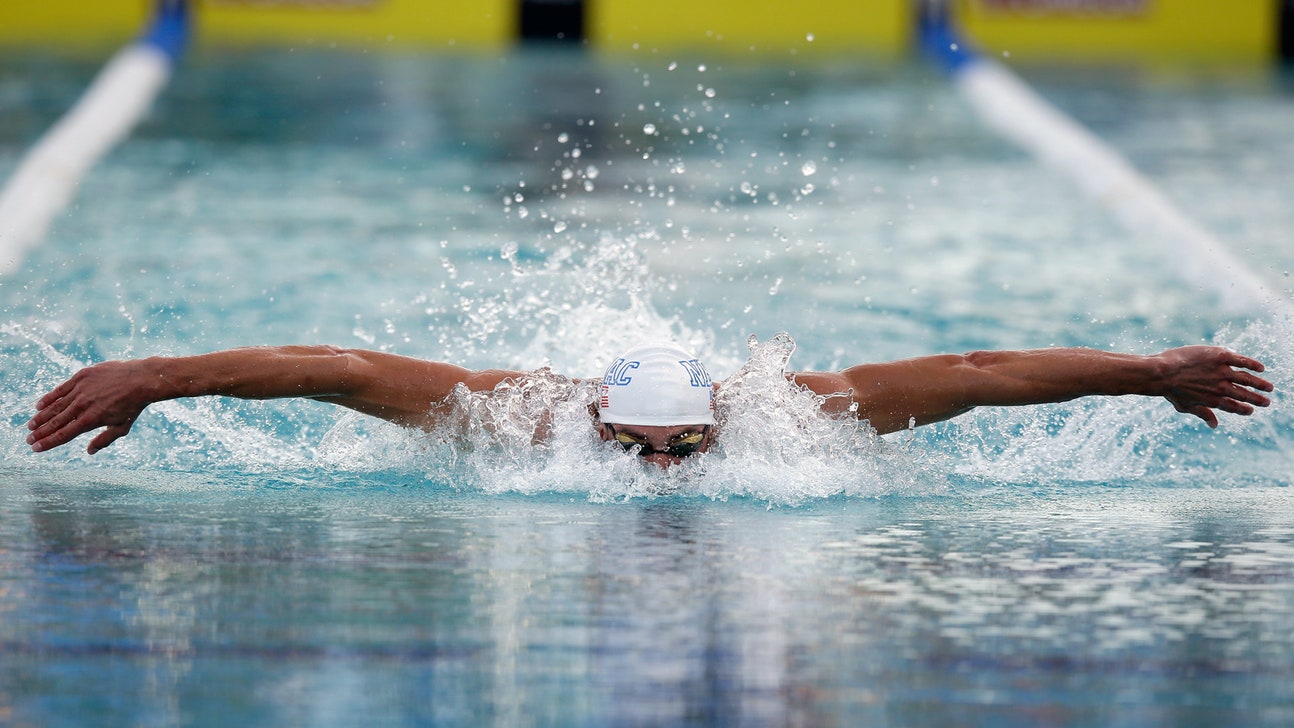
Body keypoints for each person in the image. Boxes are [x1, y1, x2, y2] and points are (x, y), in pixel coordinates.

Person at [25, 339, 1274, 468]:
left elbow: (977, 379)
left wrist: (1147, 371)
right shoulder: (522, 416)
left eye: (686, 443)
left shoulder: (791, 413)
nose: (664, 466)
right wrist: (159, 376)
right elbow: (336, 370)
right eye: (639, 446)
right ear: (595, 424)